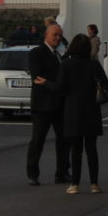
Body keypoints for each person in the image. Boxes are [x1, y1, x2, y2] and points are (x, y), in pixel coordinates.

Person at [36, 33, 108, 194]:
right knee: (91, 149)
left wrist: (46, 83)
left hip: (73, 110)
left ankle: (75, 184)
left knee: (76, 149)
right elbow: (107, 85)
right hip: (92, 110)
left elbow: (59, 88)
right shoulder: (93, 64)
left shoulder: (67, 64)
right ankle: (94, 184)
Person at [26, 23, 70, 186]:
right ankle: (32, 173)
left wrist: (52, 82)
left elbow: (57, 78)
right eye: (55, 35)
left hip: (59, 105)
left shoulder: (60, 55)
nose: (58, 38)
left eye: (60, 35)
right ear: (47, 35)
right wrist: (57, 83)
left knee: (64, 140)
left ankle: (62, 172)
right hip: (42, 106)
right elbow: (37, 76)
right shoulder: (37, 53)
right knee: (38, 140)